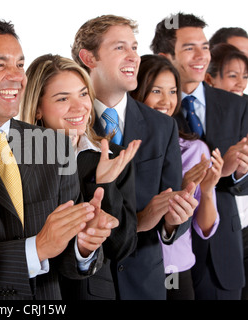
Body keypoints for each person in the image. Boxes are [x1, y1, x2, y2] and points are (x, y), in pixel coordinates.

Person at [0, 16, 118, 300]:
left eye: (19, 64)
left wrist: (83, 245)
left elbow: (67, 259)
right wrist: (36, 249)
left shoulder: (53, 145)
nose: (17, 76)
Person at [71, 14, 198, 300]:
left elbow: (172, 207)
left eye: (135, 48)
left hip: (146, 283)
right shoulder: (68, 120)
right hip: (87, 284)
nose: (133, 57)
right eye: (120, 48)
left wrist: (173, 220)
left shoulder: (162, 126)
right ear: (88, 58)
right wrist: (138, 220)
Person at [20, 54, 140, 300]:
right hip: (36, 294)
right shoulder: (15, 158)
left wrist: (104, 184)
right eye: (63, 98)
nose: (80, 107)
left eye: (83, 94)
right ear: (38, 108)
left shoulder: (111, 156)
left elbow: (122, 247)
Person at [151, 12, 248, 299]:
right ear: (166, 55)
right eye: (189, 47)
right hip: (167, 248)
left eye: (204, 47)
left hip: (223, 248)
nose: (201, 55)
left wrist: (234, 171)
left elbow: (243, 186)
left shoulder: (237, 106)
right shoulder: (153, 106)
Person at [131, 54, 222, 299]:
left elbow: (204, 229)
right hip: (132, 267)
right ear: (136, 92)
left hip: (176, 268)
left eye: (173, 92)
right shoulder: (122, 147)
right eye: (156, 91)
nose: (166, 101)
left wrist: (206, 189)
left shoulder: (195, 150)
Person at [204, 43, 248, 299]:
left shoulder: (243, 110)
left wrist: (238, 172)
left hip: (236, 231)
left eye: (244, 76)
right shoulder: (187, 108)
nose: (240, 83)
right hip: (205, 236)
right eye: (232, 75)